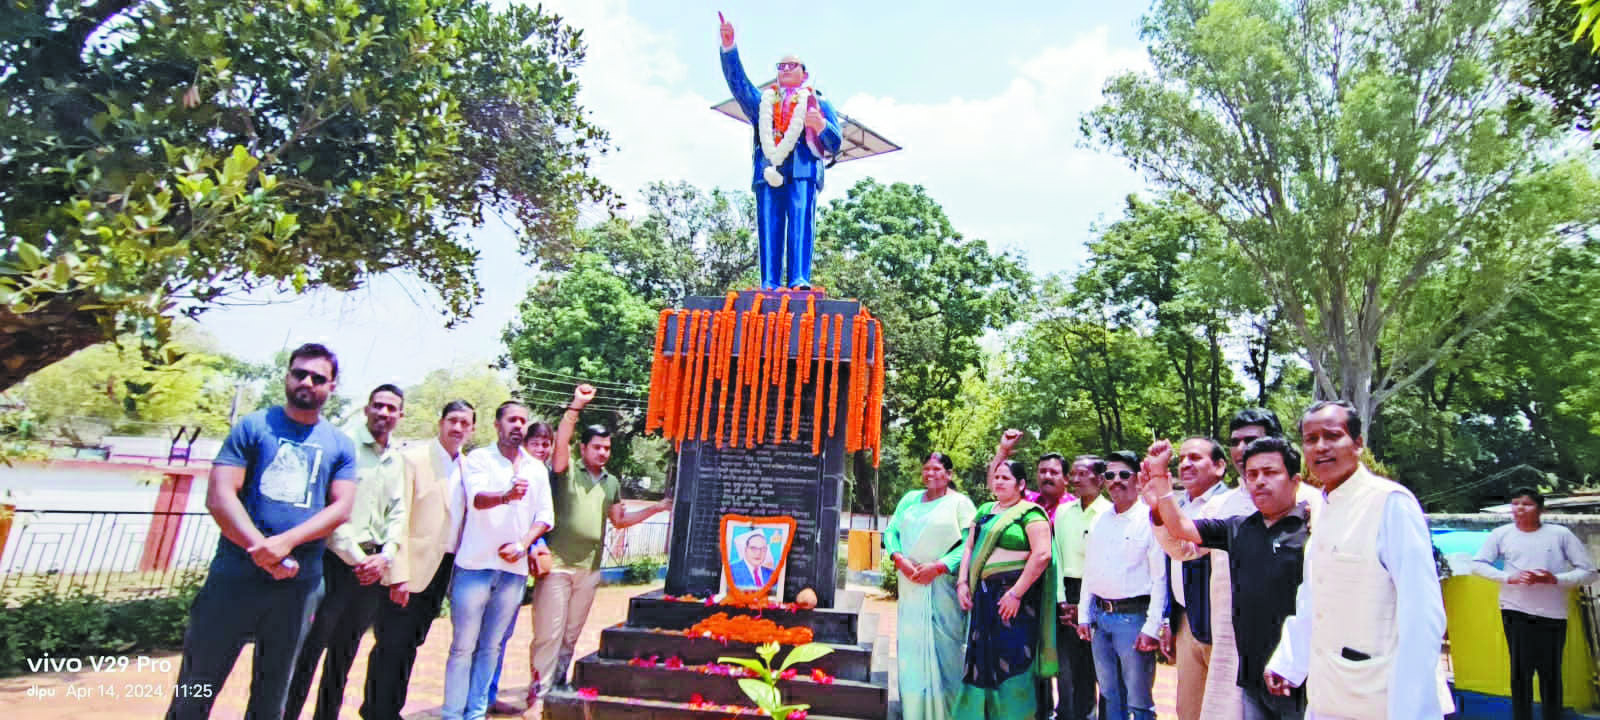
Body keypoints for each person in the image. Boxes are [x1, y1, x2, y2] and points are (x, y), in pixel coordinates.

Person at [166, 343, 359, 720]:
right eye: (299, 373)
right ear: (287, 376)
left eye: (318, 377)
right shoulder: (253, 427)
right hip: (234, 577)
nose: (307, 382)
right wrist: (262, 550)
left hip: (298, 584)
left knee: (274, 694)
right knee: (197, 683)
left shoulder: (340, 445)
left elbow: (341, 508)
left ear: (332, 386)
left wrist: (285, 544)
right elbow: (220, 496)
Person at [1265, 400, 1449, 719]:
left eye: (1332, 436)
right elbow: (1313, 598)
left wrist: (1412, 709)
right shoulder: (1324, 508)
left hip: (1383, 697)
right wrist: (1289, 662)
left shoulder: (1390, 503)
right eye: (1311, 439)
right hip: (1329, 694)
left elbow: (1422, 613)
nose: (1321, 447)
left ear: (1358, 443)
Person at [1146, 436, 1313, 720]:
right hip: (1251, 675)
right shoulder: (1238, 527)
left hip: (1298, 677)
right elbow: (1180, 527)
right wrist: (1160, 476)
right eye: (1252, 474)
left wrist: (1294, 664)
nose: (1259, 481)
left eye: (1270, 472)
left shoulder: (1313, 527)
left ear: (1295, 480)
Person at [528, 384, 671, 711]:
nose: (603, 453)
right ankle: (538, 694)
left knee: (570, 634)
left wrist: (656, 508)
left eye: (607, 448)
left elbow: (619, 520)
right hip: (558, 566)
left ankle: (557, 686)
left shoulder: (611, 482)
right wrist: (576, 406)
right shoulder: (566, 471)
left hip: (589, 570)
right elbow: (561, 441)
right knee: (549, 634)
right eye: (597, 447)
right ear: (583, 448)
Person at [287, 384, 408, 720]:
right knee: (310, 650)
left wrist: (386, 556)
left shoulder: (396, 457)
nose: (384, 413)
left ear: (400, 415)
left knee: (345, 653)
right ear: (367, 408)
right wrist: (359, 560)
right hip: (336, 564)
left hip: (372, 569)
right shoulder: (344, 446)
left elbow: (398, 512)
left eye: (392, 408)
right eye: (378, 405)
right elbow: (331, 509)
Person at [361, 400, 475, 720]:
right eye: (453, 420)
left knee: (410, 643)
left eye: (465, 423)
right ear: (441, 423)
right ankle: (375, 712)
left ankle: (390, 710)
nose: (458, 428)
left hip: (443, 568)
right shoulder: (413, 459)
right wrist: (398, 575)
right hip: (409, 568)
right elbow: (397, 519)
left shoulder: (467, 467)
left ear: (472, 429)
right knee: (391, 643)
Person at [443, 401, 554, 720]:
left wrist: (522, 545)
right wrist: (507, 496)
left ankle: (476, 713)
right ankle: (452, 713)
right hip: (475, 567)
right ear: (497, 424)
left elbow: (545, 517)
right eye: (511, 420)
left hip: (513, 571)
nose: (518, 425)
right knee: (463, 647)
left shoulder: (536, 468)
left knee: (491, 647)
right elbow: (477, 499)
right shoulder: (479, 458)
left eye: (523, 420)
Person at [718, 13, 842, 289]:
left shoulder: (818, 102)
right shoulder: (764, 101)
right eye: (781, 66)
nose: (785, 69)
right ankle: (770, 281)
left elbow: (836, 143)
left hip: (803, 168)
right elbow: (739, 86)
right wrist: (729, 48)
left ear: (804, 73)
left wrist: (821, 126)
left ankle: (799, 278)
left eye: (791, 65)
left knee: (801, 221)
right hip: (769, 168)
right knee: (769, 224)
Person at [1473, 486, 1599, 720]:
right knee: (1520, 672)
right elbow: (1478, 564)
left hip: (1552, 613)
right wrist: (1508, 577)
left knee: (1550, 672)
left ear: (1541, 509)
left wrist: (1555, 579)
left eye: (1527, 504)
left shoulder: (1560, 534)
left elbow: (1589, 572)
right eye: (1515, 503)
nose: (1520, 508)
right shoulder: (1501, 534)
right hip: (1515, 610)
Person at [953, 459, 1058, 719]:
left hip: (1015, 602)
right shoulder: (985, 511)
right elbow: (969, 547)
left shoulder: (1030, 514)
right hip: (983, 599)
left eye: (1006, 478)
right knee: (981, 662)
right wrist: (962, 582)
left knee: (1012, 660)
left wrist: (1016, 593)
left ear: (1021, 484)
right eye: (997, 477)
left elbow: (1042, 555)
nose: (999, 481)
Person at [884, 451, 978, 720]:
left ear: (949, 474)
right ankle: (913, 712)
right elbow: (891, 532)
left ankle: (948, 714)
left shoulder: (960, 504)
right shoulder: (910, 500)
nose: (930, 474)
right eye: (926, 469)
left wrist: (939, 567)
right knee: (912, 651)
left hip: (942, 586)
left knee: (947, 652)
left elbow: (969, 543)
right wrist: (899, 559)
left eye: (937, 469)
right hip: (911, 585)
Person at [1079, 450, 1166, 720]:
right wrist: (1084, 615)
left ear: (1137, 479)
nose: (1116, 481)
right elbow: (1090, 570)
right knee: (1109, 694)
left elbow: (1160, 578)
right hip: (1100, 618)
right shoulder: (1099, 519)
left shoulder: (1151, 519)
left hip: (1134, 619)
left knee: (1139, 701)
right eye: (1110, 475)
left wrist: (1152, 627)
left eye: (1124, 474)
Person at [484, 421, 558, 716]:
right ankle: (476, 697)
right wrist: (532, 543)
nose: (541, 448)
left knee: (501, 634)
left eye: (546, 443)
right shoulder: (510, 471)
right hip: (494, 560)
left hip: (518, 567)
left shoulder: (544, 475)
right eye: (535, 443)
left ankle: (488, 694)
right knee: (483, 636)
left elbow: (542, 517)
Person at [1158, 436, 1230, 720]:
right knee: (1188, 709)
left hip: (1221, 624)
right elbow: (1170, 565)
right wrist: (1169, 619)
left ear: (1220, 466)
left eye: (1196, 458)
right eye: (1182, 458)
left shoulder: (1231, 505)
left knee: (1223, 709)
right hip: (1186, 621)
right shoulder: (1176, 506)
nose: (1186, 464)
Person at [1052, 455, 1110, 720]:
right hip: (1068, 593)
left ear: (1100, 479)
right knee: (1076, 672)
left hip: (1099, 595)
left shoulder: (1109, 513)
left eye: (1082, 474)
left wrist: (1085, 606)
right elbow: (1057, 556)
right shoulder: (1064, 512)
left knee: (1105, 672)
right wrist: (1063, 599)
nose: (1075, 479)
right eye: (1073, 474)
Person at [988, 429, 1072, 520]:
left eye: (1054, 472)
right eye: (1042, 471)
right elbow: (997, 486)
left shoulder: (1074, 508)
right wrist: (1003, 450)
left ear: (1066, 479)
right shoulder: (1030, 500)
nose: (1047, 476)